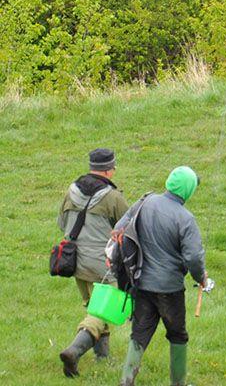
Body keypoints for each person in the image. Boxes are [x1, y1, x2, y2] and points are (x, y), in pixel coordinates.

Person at [118, 166, 210, 386]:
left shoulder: (146, 201)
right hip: (169, 290)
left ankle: (126, 380)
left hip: (141, 283)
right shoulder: (185, 219)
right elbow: (194, 258)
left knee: (139, 332)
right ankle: (178, 383)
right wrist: (202, 278)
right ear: (188, 190)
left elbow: (120, 227)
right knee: (178, 335)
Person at [57, 148, 129, 377]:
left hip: (74, 261)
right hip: (103, 265)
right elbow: (129, 232)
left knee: (93, 307)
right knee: (103, 312)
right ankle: (73, 352)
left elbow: (62, 224)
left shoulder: (71, 191)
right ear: (110, 169)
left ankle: (102, 357)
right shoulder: (113, 197)